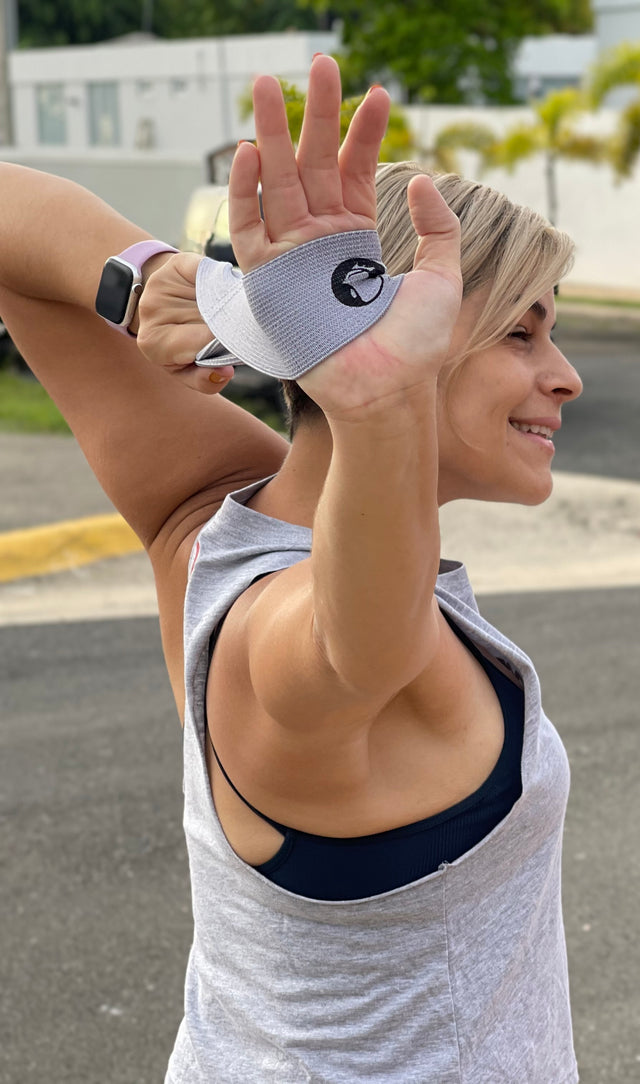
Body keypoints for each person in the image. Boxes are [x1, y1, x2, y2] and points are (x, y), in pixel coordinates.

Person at [0, 57, 583, 1082]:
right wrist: (379, 401)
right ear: (391, 339)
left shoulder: (214, 514)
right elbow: (356, 645)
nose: (564, 375)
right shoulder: (306, 635)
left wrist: (151, 277)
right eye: (521, 332)